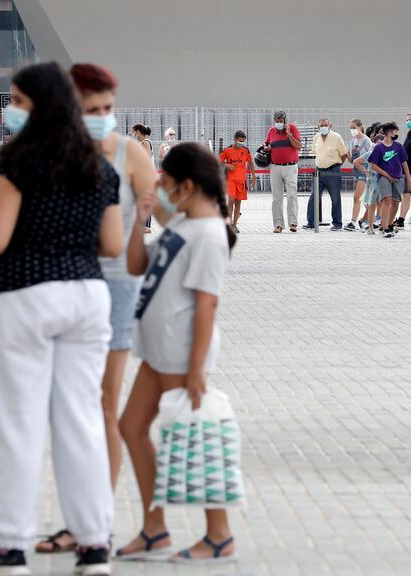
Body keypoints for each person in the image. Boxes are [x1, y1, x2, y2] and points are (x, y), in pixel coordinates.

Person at [0, 61, 124, 575]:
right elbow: (113, 244)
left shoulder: (21, 160)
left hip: (23, 294)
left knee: (19, 422)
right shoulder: (99, 166)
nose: (12, 110)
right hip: (86, 297)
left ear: (39, 104)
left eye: (17, 100)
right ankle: (94, 544)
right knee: (81, 419)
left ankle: (11, 546)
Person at [31, 63, 159, 558]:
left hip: (115, 289)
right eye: (93, 111)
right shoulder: (48, 154)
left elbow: (163, 212)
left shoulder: (131, 152)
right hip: (60, 285)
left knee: (102, 404)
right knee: (67, 408)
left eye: (109, 109)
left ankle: (93, 526)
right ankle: (82, 520)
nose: (104, 118)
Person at [117, 143, 237, 563]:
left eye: (165, 183)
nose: (162, 189)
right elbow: (136, 265)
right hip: (160, 348)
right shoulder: (183, 224)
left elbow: (207, 303)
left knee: (189, 434)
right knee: (132, 427)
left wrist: (196, 368)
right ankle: (154, 530)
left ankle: (218, 534)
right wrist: (139, 219)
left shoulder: (209, 233)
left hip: (182, 350)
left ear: (186, 186)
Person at [368, 122, 411, 238]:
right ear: (389, 132)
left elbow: (404, 163)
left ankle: (389, 223)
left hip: (397, 177)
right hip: (383, 177)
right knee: (386, 200)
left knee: (396, 201)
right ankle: (385, 227)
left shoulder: (399, 146)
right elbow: (373, 165)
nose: (397, 133)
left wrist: (409, 178)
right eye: (395, 131)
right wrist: (386, 175)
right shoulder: (378, 148)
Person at [262, 111, 302, 233]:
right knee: (276, 198)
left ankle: (293, 223)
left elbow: (298, 146)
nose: (279, 123)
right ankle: (278, 224)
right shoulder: (271, 131)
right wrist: (266, 148)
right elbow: (266, 144)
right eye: (277, 121)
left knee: (291, 195)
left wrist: (289, 134)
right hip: (275, 167)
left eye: (281, 121)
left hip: (290, 167)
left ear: (285, 121)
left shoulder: (292, 128)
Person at [307, 118, 349, 231]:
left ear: (330, 125)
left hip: (333, 170)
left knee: (335, 198)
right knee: (313, 197)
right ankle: (310, 222)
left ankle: (337, 223)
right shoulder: (316, 137)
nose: (324, 127)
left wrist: (338, 165)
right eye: (322, 125)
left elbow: (344, 153)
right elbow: (315, 153)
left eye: (326, 125)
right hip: (319, 171)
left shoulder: (336, 137)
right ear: (318, 126)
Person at [219, 131, 255, 234]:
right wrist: (227, 165)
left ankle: (235, 225)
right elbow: (219, 161)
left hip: (241, 180)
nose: (241, 143)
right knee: (230, 200)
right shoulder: (227, 151)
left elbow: (251, 163)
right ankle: (229, 224)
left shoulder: (245, 151)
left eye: (243, 141)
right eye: (239, 141)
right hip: (230, 179)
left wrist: (253, 176)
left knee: (238, 202)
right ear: (234, 139)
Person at [347, 118, 373, 231]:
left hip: (365, 170)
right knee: (360, 198)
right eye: (351, 128)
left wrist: (367, 171)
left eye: (354, 127)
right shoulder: (353, 141)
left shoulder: (366, 140)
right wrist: (347, 156)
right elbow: (352, 159)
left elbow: (372, 155)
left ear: (360, 127)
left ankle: (354, 221)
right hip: (356, 171)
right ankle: (365, 220)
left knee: (358, 197)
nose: (352, 130)